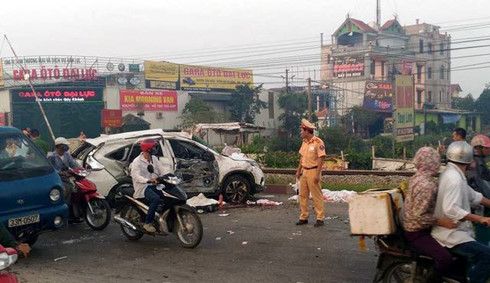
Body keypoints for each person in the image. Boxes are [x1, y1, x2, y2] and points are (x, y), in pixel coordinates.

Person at [431, 141, 490, 283]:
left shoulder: (453, 173)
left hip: (456, 231)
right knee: (486, 255)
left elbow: (472, 195)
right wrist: (480, 219)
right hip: (449, 234)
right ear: (468, 160)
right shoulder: (455, 179)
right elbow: (451, 209)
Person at [403, 147, 461, 280]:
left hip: (415, 227)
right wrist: (442, 222)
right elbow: (420, 216)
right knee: (444, 258)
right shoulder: (427, 186)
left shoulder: (418, 177)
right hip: (416, 232)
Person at [130, 139, 167, 233]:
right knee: (156, 199)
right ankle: (148, 223)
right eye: (153, 147)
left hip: (155, 185)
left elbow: (161, 170)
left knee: (168, 196)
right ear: (148, 149)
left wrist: (168, 176)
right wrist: (147, 180)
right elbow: (136, 176)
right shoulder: (137, 161)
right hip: (143, 187)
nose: (155, 149)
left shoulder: (154, 158)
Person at [295, 119, 326, 227]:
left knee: (317, 196)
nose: (300, 133)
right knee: (303, 195)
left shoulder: (318, 142)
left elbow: (321, 158)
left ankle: (320, 218)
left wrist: (317, 174)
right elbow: (302, 157)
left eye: (302, 131)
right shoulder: (304, 142)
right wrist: (298, 170)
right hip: (304, 171)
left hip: (314, 170)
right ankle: (304, 217)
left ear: (307, 131)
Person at [47, 137, 82, 221]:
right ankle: (65, 213)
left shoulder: (67, 155)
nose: (66, 146)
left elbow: (74, 164)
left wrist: (82, 169)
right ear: (59, 146)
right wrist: (60, 173)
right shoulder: (51, 156)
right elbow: (50, 169)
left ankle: (75, 212)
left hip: (66, 178)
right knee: (66, 189)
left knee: (76, 189)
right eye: (64, 145)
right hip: (56, 179)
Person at [467, 134, 490, 245]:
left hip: (480, 199)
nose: (488, 150)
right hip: (479, 202)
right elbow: (477, 183)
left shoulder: (479, 161)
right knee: (482, 228)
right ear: (478, 148)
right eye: (487, 148)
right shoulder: (475, 163)